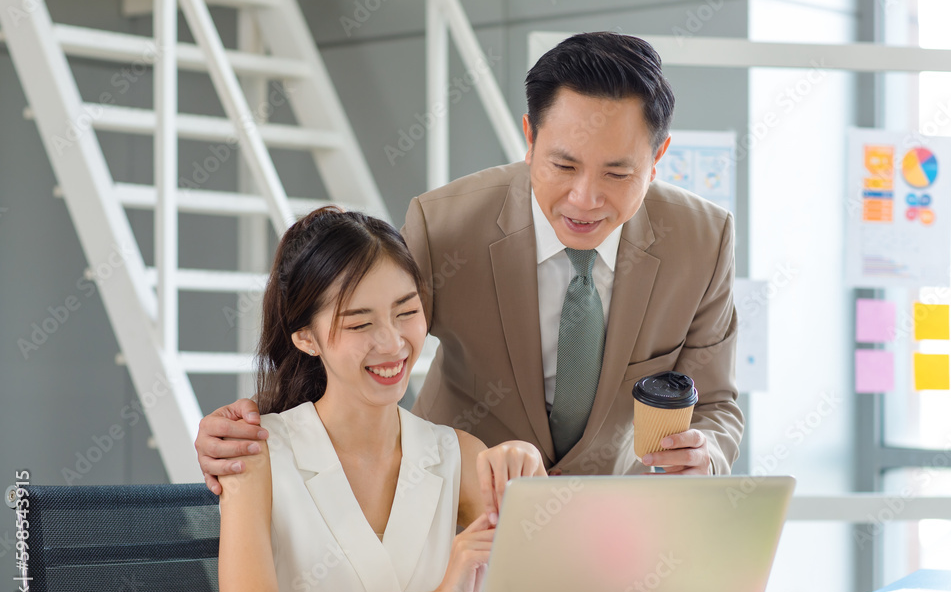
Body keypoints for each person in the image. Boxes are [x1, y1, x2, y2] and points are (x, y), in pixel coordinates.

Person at [196, 31, 743, 491]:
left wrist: (707, 454)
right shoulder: (445, 225)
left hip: (612, 519)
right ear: (530, 139)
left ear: (658, 158)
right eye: (563, 166)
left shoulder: (703, 240)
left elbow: (716, 402)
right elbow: (352, 343)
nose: (584, 198)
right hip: (456, 500)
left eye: (617, 173)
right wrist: (254, 427)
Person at [217, 207, 544, 592]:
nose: (392, 343)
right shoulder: (255, 454)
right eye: (360, 323)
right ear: (306, 338)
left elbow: (561, 581)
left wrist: (530, 479)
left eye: (406, 311)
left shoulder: (456, 454)